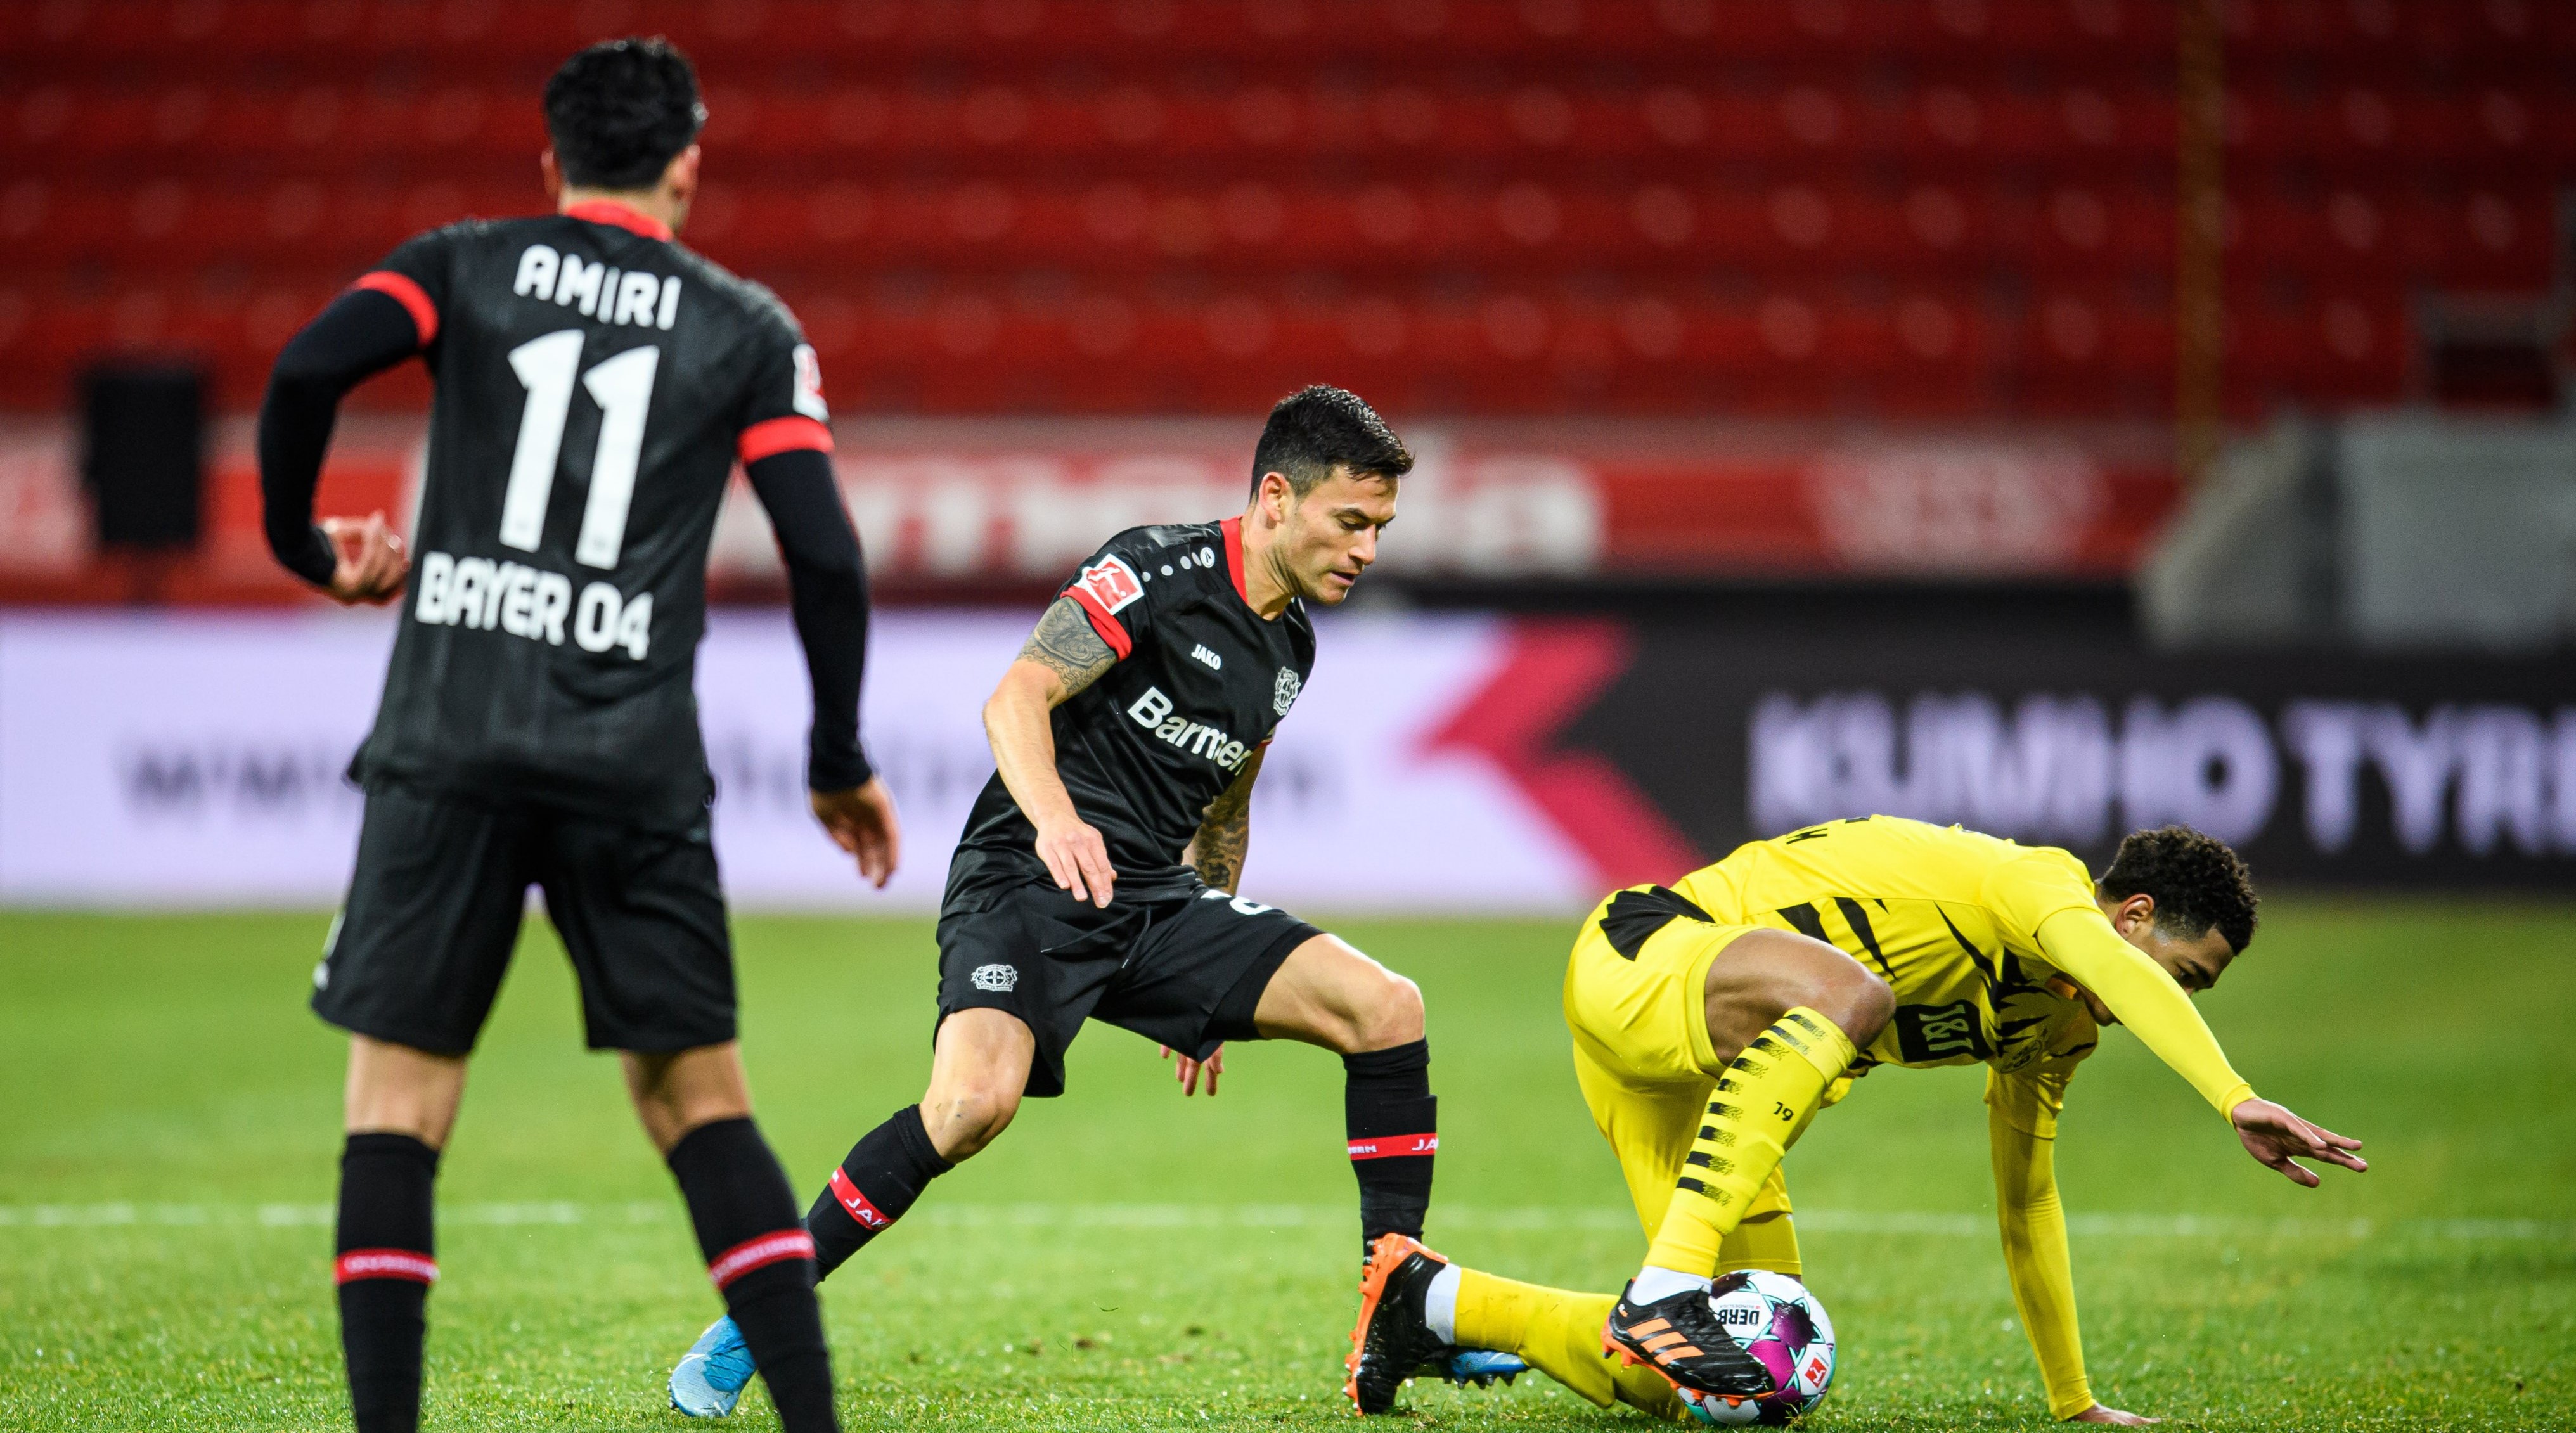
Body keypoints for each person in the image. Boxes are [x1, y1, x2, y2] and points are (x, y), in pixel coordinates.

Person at [257, 37, 897, 1433]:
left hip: (449, 737)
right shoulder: (747, 328)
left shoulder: (460, 265)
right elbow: (825, 558)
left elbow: (304, 371)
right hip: (631, 759)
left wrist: (306, 549)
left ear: (551, 162)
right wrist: (837, 759)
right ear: (687, 168)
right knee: (699, 1106)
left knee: (398, 1106)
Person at [664, 386, 1443, 1418]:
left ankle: (1396, 1308)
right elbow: (1016, 697)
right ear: (1274, 499)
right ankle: (757, 1318)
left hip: (1153, 899)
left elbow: (1226, 801)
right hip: (1025, 878)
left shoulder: (1291, 647)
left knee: (1389, 1008)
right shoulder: (1154, 570)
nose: (1367, 549)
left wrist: (1212, 975)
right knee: (969, 1108)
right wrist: (1057, 821)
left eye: (1380, 528)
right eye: (1350, 521)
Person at [1344, 819, 2367, 1423]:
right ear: (2134, 915)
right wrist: (2232, 1091)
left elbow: (2028, 1202)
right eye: (2182, 977)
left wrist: (2074, 1398)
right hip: (1645, 954)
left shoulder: (2055, 1028)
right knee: (1854, 995)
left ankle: (1432, 1303)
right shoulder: (2038, 885)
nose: (2168, 999)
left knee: (1748, 1371)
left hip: (1702, 1079)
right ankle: (1664, 1283)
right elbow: (2108, 966)